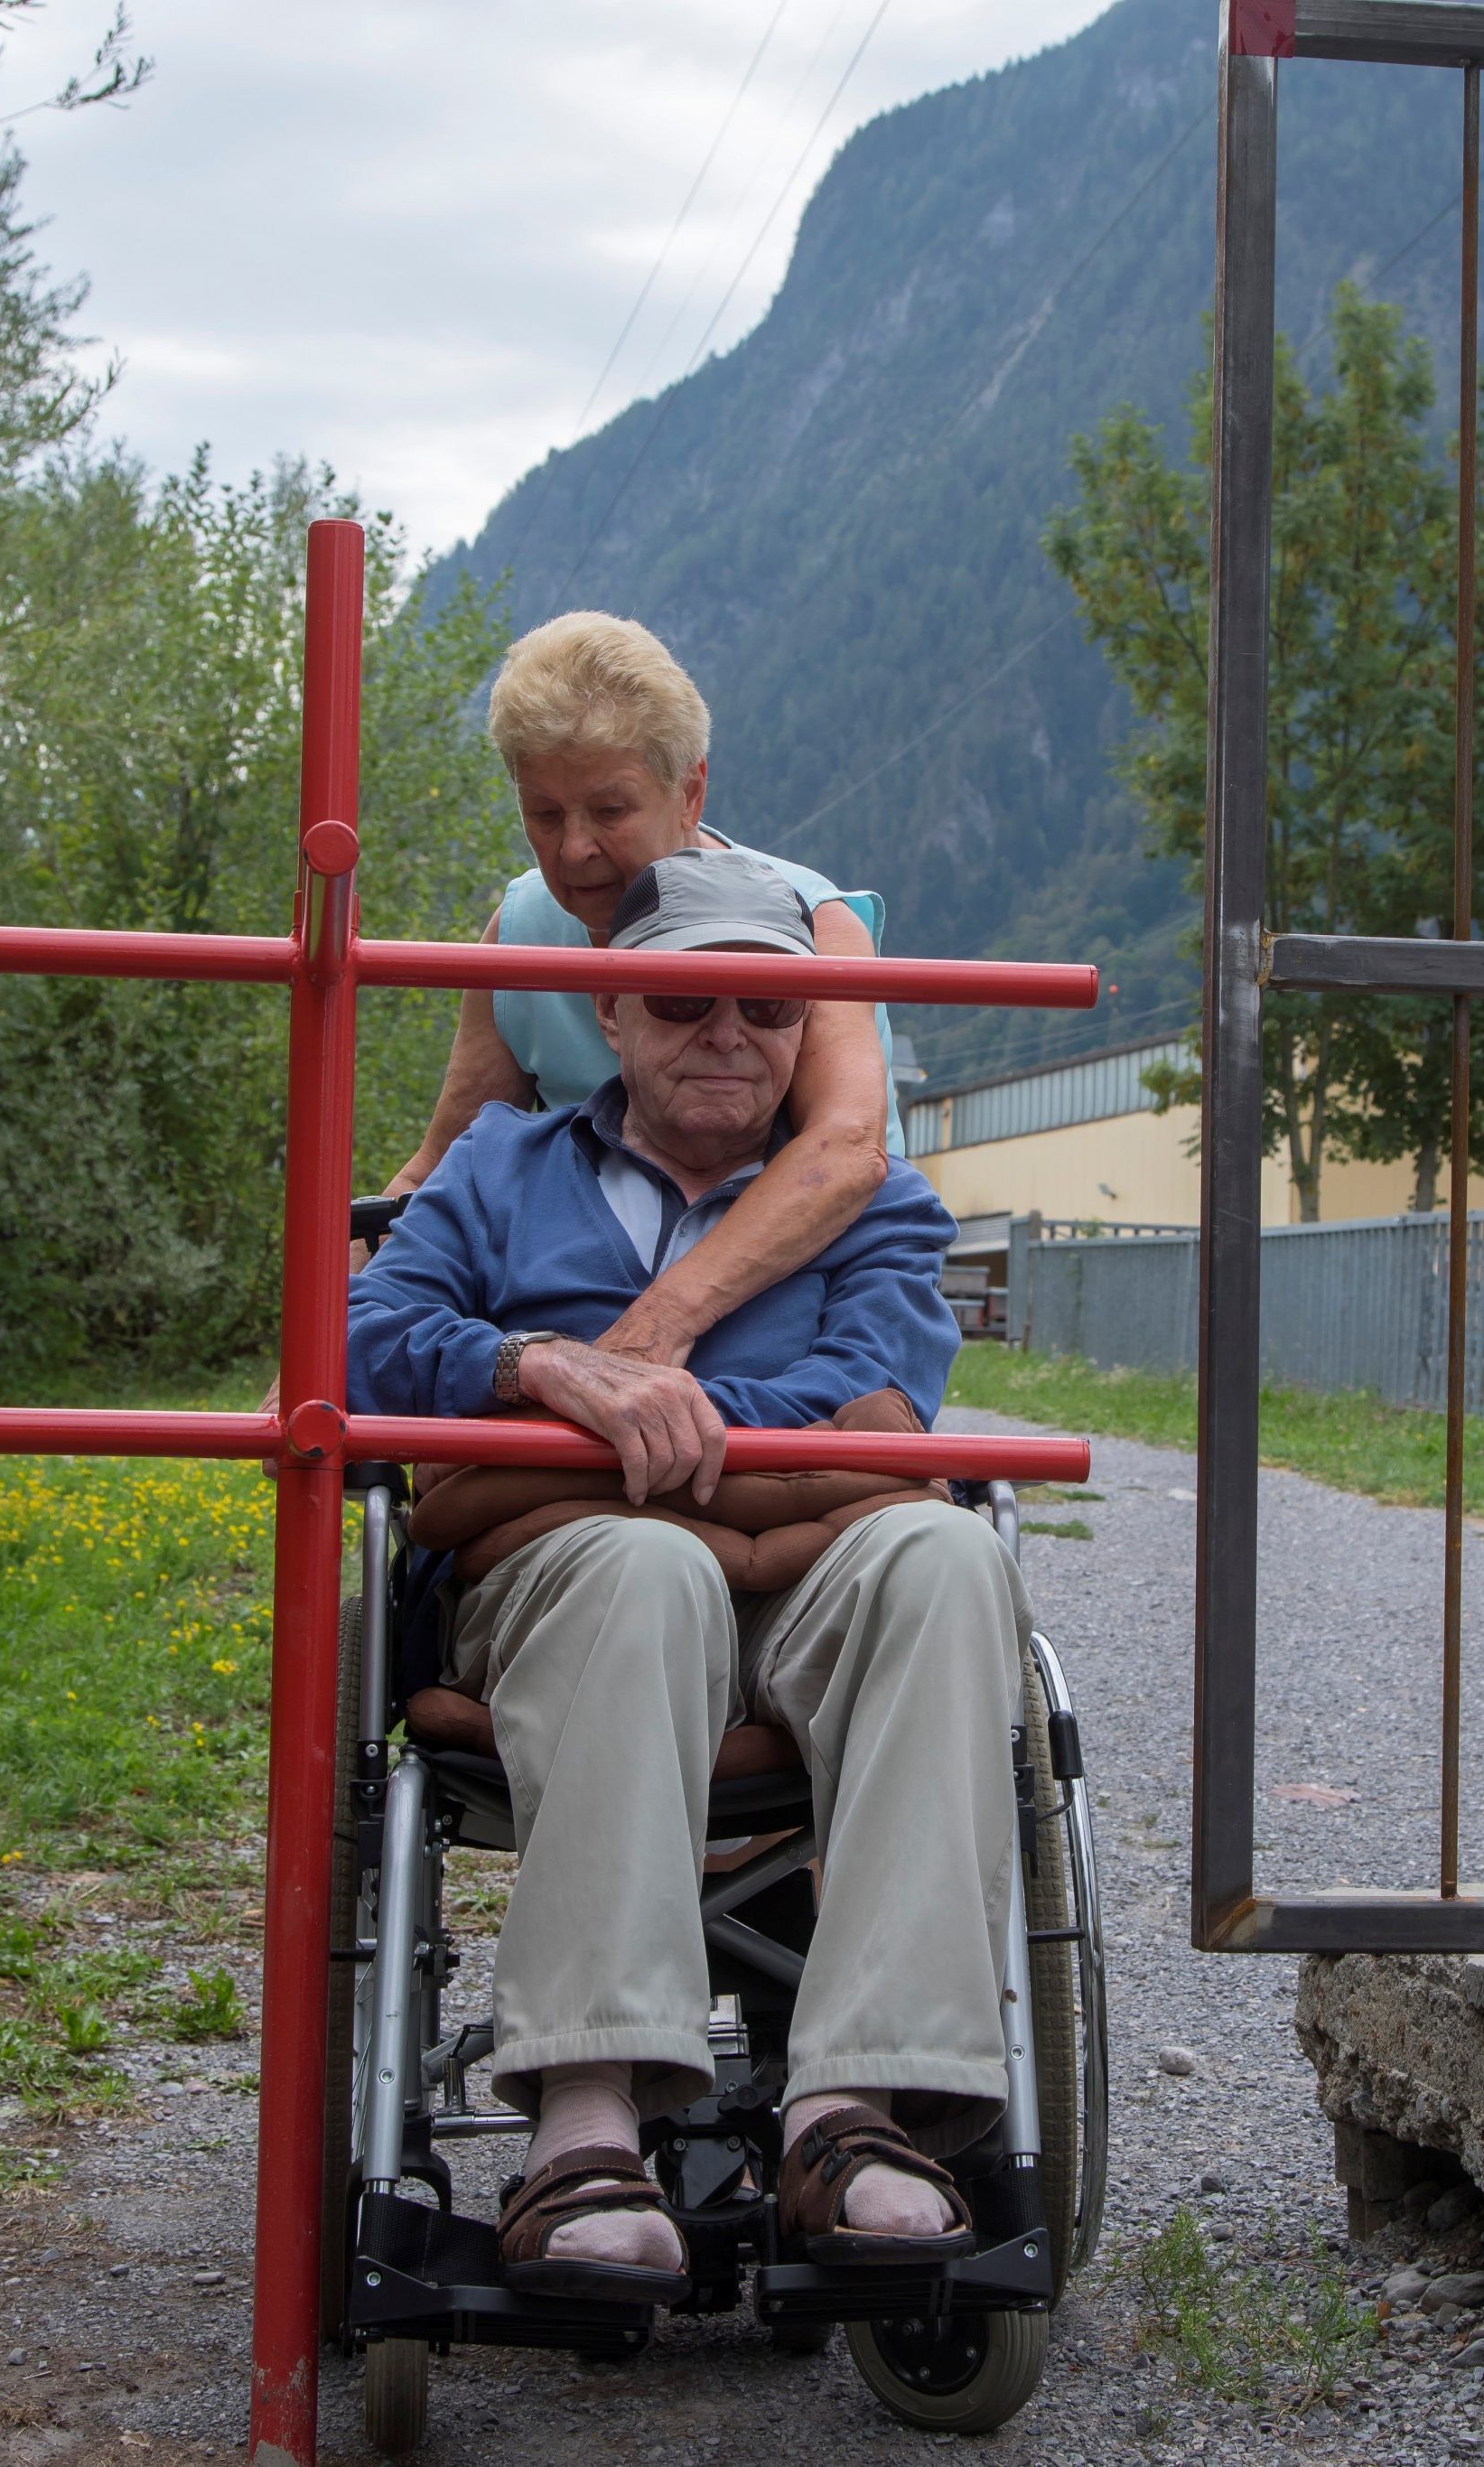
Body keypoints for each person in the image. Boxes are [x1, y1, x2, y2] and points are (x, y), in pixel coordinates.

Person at [347, 846, 1028, 2306]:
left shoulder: (877, 1202)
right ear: (611, 1011)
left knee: (949, 1554)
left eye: (770, 1008)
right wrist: (532, 1363)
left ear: (806, 1031)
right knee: (636, 1565)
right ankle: (587, 2121)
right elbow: (362, 1336)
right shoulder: (498, 1170)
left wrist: (649, 1418)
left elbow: (883, 1387)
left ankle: (863, 2105)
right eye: (683, 995)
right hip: (571, 1581)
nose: (728, 1031)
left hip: (807, 1571)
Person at [386, 611, 898, 1371]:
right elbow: (439, 1167)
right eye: (544, 813)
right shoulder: (522, 930)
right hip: (571, 1323)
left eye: (610, 809)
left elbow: (846, 1148)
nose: (574, 847)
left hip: (786, 1325)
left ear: (689, 791)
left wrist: (639, 1341)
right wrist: (322, 1343)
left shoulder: (809, 926)